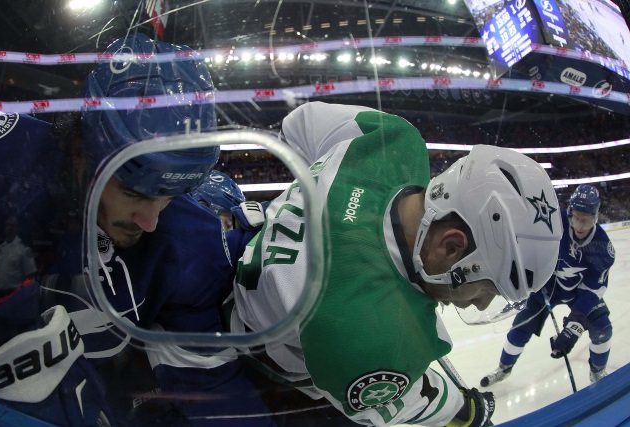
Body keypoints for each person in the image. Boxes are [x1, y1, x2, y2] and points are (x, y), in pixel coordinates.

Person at [0, 33, 273, 426]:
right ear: (80, 149)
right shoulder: (3, 169)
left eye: (172, 194)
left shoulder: (190, 239)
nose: (151, 221)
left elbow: (210, 384)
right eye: (132, 191)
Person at [226, 101, 563, 427]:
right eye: (488, 288)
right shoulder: (377, 338)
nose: (481, 302)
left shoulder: (391, 139)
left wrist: (315, 201)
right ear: (451, 246)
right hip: (264, 377)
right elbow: (414, 401)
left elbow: (297, 126)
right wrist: (466, 410)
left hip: (243, 255)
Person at [481, 184, 615, 387]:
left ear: (595, 217)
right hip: (544, 286)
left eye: (585, 220)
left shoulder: (602, 248)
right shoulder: (554, 221)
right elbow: (527, 244)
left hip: (579, 293)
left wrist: (574, 327)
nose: (579, 225)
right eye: (576, 217)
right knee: (520, 328)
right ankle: (504, 368)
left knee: (603, 328)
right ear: (569, 212)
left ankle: (597, 372)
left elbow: (592, 290)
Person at [0, 215, 37, 301]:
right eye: (7, 225)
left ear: (17, 228)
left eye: (12, 225)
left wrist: (25, 295)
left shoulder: (23, 250)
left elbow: (30, 275)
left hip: (15, 295)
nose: (9, 228)